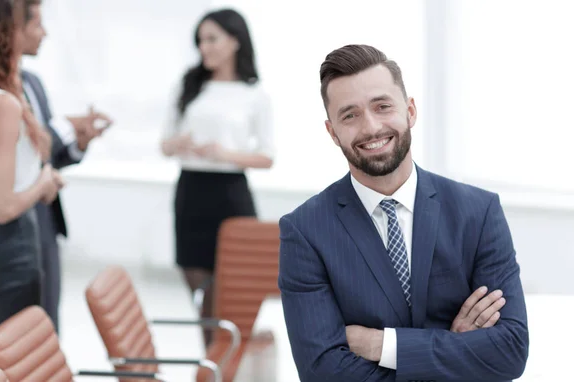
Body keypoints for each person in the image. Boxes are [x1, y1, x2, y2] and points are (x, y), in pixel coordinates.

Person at [278, 44, 529, 382]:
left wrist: (384, 345)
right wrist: (454, 349)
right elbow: (322, 371)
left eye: (382, 106)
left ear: (410, 111)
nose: (370, 128)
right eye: (349, 115)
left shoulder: (478, 212)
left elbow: (509, 351)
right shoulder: (305, 231)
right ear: (332, 132)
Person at [161, 8, 275, 347]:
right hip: (191, 189)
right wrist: (179, 144)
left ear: (235, 41)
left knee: (237, 285)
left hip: (231, 192)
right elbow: (165, 144)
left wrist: (223, 154)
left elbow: (267, 157)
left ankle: (233, 356)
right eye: (200, 41)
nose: (204, 47)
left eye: (212, 39)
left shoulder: (255, 94)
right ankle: (212, 360)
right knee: (199, 287)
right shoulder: (188, 85)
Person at [0, 0, 63, 373]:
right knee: (13, 357)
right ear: (5, 34)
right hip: (6, 240)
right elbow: (4, 206)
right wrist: (42, 182)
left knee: (7, 349)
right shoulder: (1, 104)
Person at [18, 0, 113, 334]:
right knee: (13, 333)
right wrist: (64, 128)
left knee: (45, 324)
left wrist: (79, 140)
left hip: (44, 220)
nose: (44, 33)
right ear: (11, 28)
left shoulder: (34, 82)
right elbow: (24, 152)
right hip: (13, 222)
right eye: (37, 24)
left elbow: (46, 156)